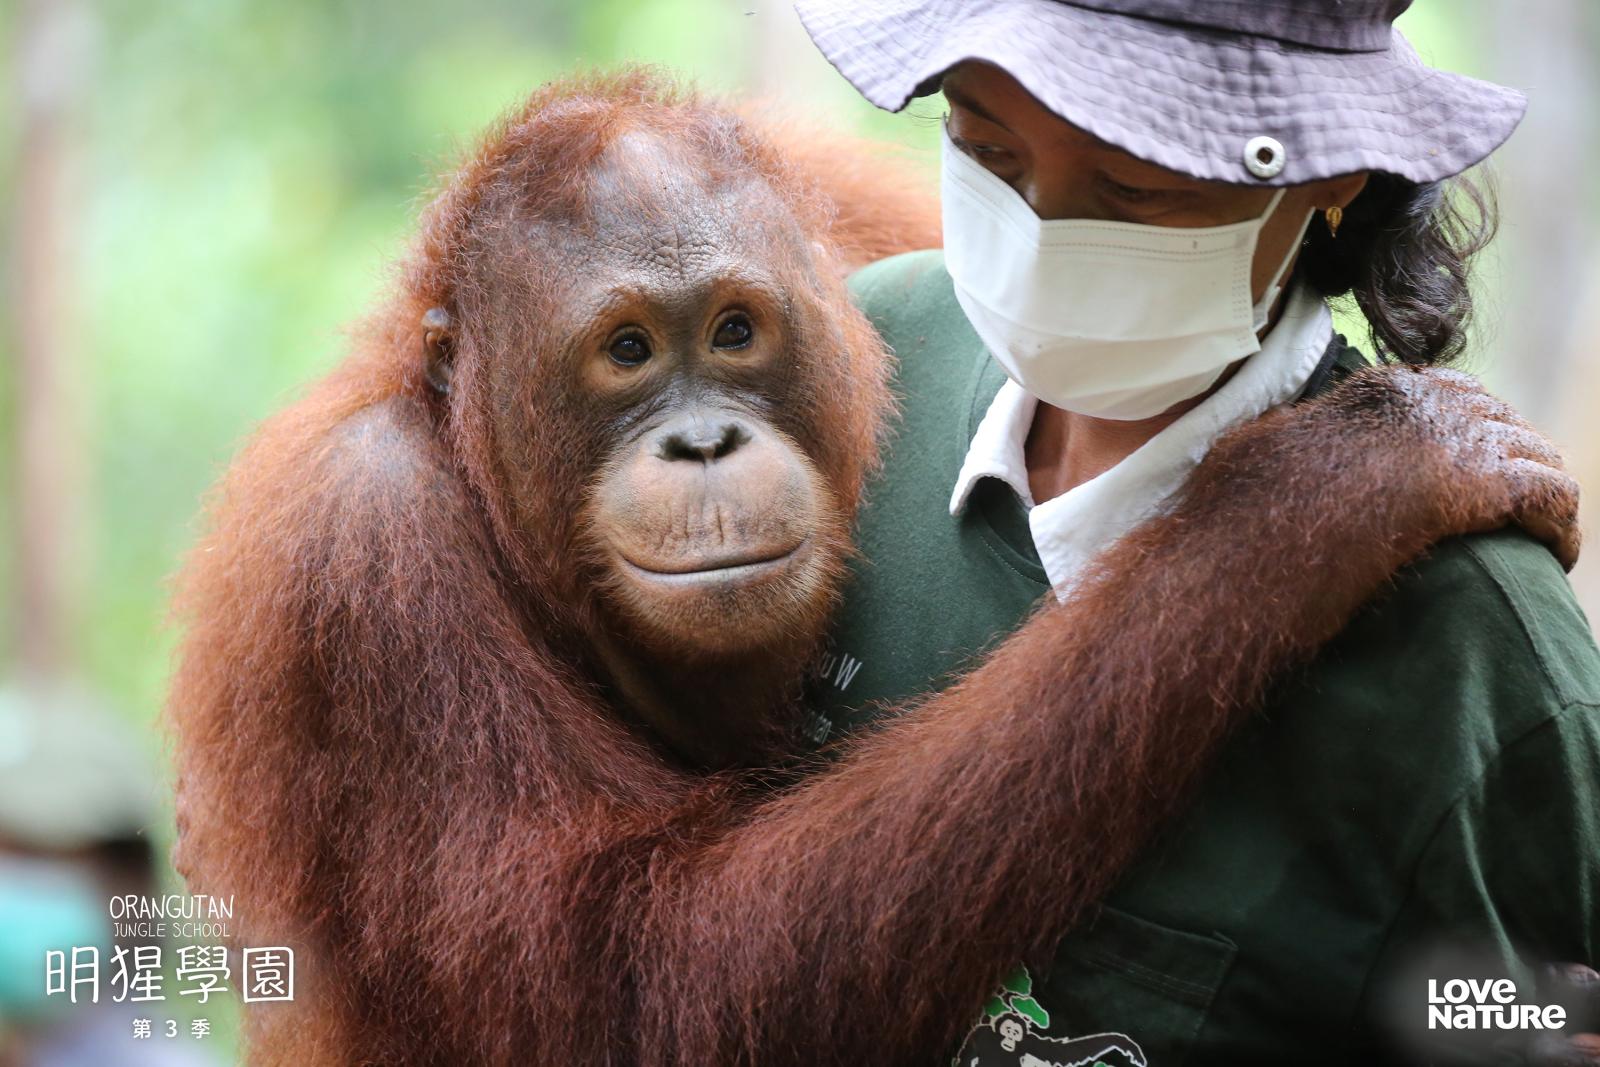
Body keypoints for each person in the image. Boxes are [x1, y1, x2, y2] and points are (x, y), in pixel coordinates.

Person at [791, 0, 1600, 1063]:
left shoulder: (1470, 656)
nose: (1037, 234)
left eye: (1135, 185)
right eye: (982, 145)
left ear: (1331, 176)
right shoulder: (859, 368)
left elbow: (1516, 1015)